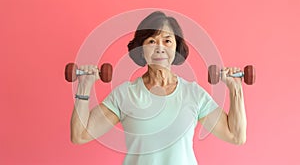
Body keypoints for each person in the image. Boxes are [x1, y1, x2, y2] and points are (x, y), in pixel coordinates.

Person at [70, 11, 247, 165]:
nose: (160, 48)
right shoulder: (125, 95)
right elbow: (80, 135)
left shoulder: (193, 94)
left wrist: (236, 90)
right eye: (152, 41)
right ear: (141, 49)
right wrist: (84, 87)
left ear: (176, 46)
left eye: (167, 41)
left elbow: (235, 136)